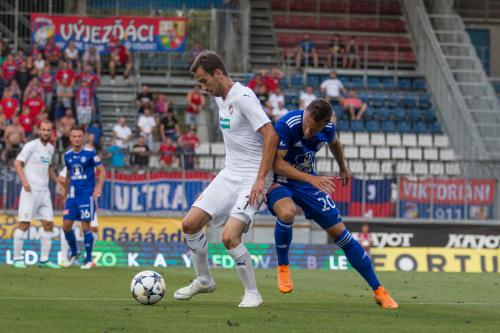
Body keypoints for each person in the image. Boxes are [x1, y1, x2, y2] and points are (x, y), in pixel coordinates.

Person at [267, 99, 398, 308]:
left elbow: (334, 143)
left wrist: (343, 167)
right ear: (306, 112)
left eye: (314, 128)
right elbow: (276, 163)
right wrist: (311, 179)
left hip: (308, 183)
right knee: (287, 212)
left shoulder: (328, 128)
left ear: (325, 123)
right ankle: (283, 266)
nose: (309, 131)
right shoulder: (288, 123)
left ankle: (379, 290)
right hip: (279, 180)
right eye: (307, 124)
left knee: (342, 234)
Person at [173, 51, 278, 308]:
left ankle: (253, 293)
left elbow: (271, 136)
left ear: (218, 73)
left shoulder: (243, 97)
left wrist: (260, 179)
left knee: (229, 237)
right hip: (229, 173)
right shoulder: (221, 97)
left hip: (252, 177)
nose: (203, 88)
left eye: (204, 81)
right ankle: (204, 280)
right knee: (190, 224)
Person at [12, 120, 60, 269]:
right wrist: (24, 182)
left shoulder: (51, 148)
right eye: (43, 130)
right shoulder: (31, 146)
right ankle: (17, 259)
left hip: (44, 192)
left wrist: (57, 181)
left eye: (48, 130)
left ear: (52, 132)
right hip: (30, 191)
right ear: (39, 131)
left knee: (48, 224)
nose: (46, 132)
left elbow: (49, 167)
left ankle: (44, 260)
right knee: (24, 224)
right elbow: (17, 163)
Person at [61, 125, 105, 269]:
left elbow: (102, 170)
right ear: (70, 138)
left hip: (86, 195)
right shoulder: (67, 156)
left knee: (86, 226)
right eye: (74, 136)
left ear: (83, 137)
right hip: (72, 196)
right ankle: (74, 252)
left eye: (80, 136)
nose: (77, 139)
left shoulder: (90, 153)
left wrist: (98, 188)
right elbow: (68, 175)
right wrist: (65, 193)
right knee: (66, 226)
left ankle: (88, 259)